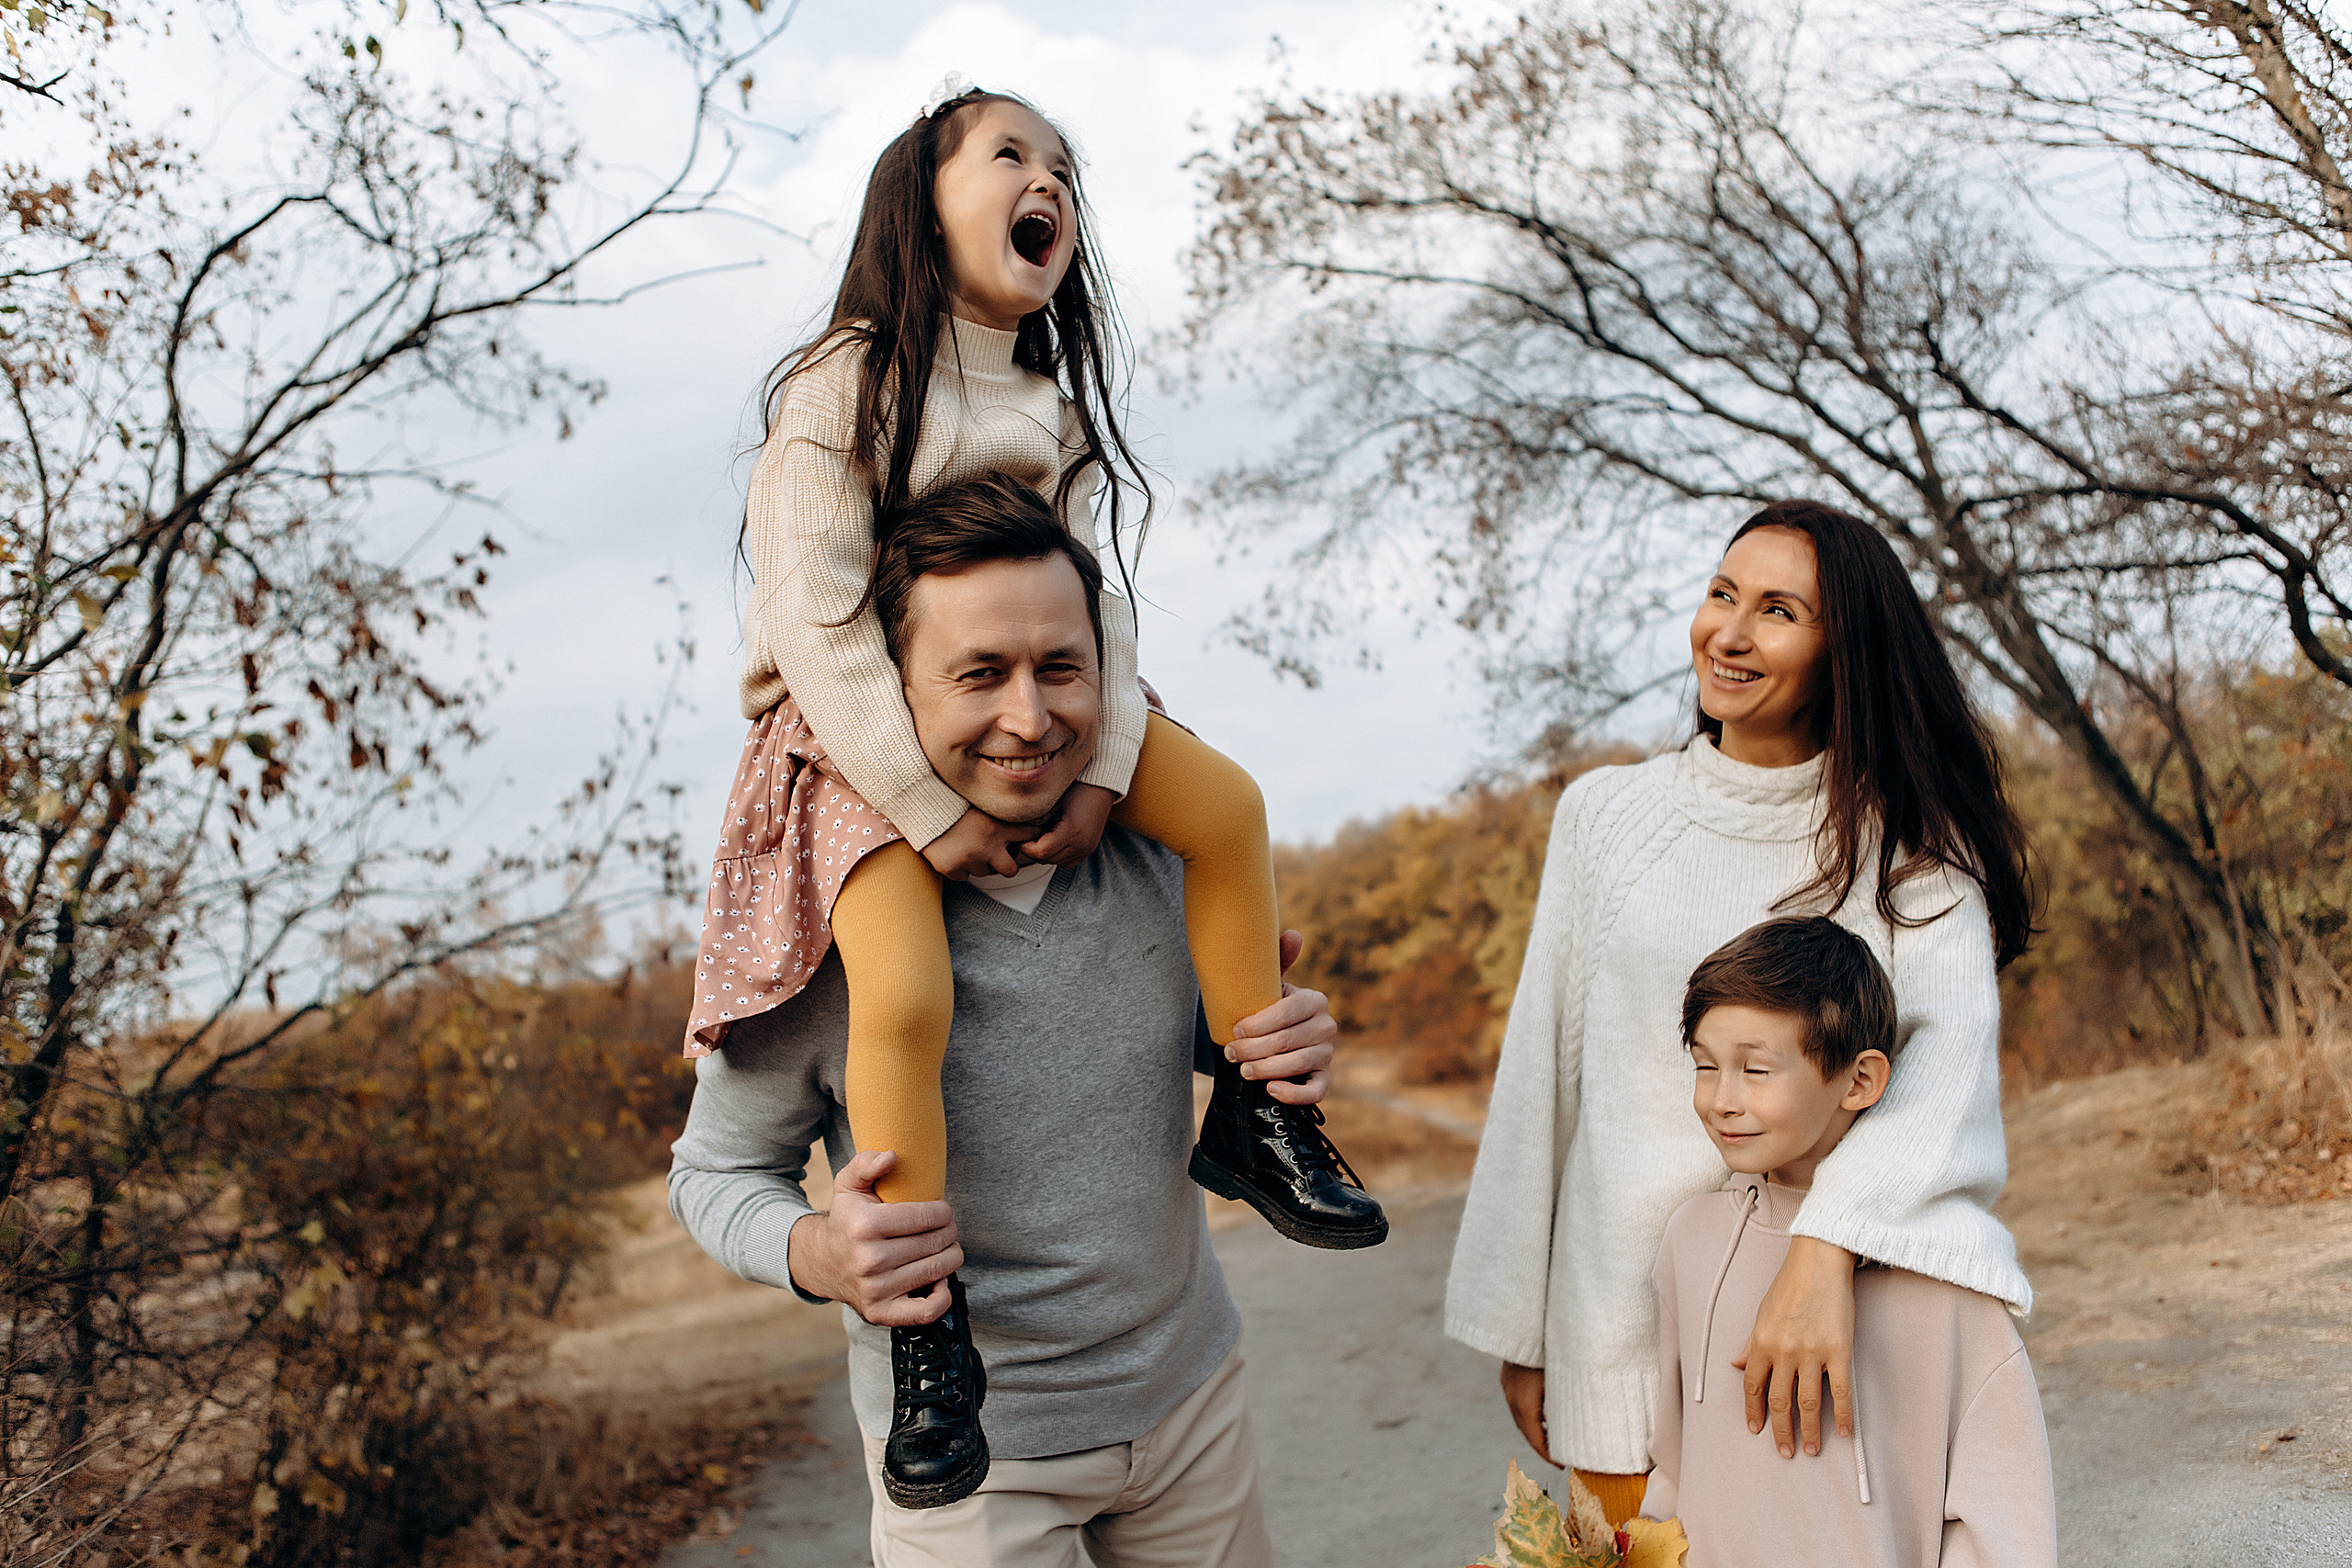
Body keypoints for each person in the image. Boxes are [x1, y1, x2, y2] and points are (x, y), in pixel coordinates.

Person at [684, 86, 1384, 1506]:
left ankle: (1264, 1120)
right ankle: (930, 1329)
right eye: (1010, 154)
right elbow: (818, 626)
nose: (1046, 179)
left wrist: (1114, 767)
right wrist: (927, 811)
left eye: (1062, 165)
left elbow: (1095, 613)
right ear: (918, 202)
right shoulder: (842, 383)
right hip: (852, 738)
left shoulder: (1038, 403)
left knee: (1232, 805)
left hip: (1012, 720)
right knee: (899, 992)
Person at [670, 479, 1360, 1565]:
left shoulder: (1156, 859)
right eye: (979, 674)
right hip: (972, 1463)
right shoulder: (826, 941)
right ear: (889, 695)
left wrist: (1275, 1044)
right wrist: (817, 1252)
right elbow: (709, 1176)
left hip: (1187, 1402)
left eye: (1061, 668)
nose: (1031, 719)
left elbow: (1155, 1037)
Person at [1445, 499, 2039, 1527]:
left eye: (1776, 610)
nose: (1728, 631)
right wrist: (1524, 1326)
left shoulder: (1911, 850)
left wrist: (1821, 1251)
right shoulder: (1606, 817)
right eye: (1722, 593)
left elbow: (1941, 1081)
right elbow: (1542, 1074)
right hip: (1621, 1324)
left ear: (1842, 649)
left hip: (1819, 1333)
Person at [1643, 916, 2058, 1567]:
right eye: (1704, 1065)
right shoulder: (1688, 1240)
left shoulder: (1948, 1282)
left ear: (1859, 1080)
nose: (1722, 1099)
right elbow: (1674, 1465)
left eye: (1755, 1068)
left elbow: (2000, 1527)